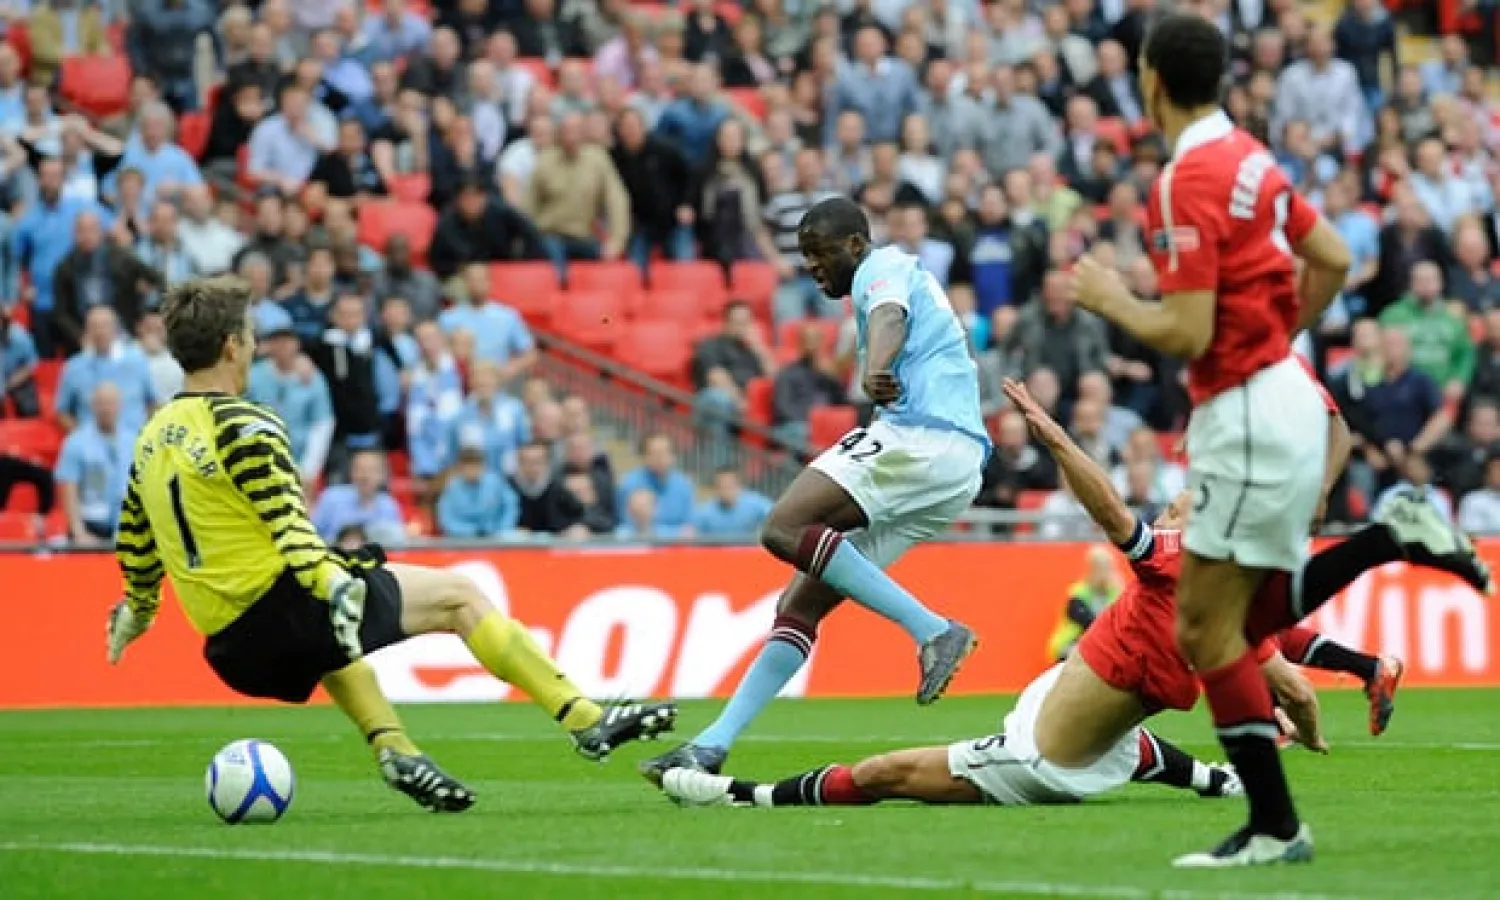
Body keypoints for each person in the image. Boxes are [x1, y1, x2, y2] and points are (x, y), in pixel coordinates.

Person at [107, 276, 677, 814]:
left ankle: (396, 750)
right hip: (286, 611)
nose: (255, 348)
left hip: (232, 650)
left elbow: (136, 540)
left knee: (331, 641)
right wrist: (331, 583)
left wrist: (139, 610)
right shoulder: (244, 422)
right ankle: (584, 718)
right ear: (231, 345)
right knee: (459, 597)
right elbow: (289, 525)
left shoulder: (152, 436)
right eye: (251, 337)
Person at [1067, 15, 1355, 866]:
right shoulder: (1253, 158)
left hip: (1245, 415)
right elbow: (1332, 258)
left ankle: (1274, 824)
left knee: (1212, 625)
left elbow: (1189, 329)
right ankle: (1275, 824)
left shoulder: (1184, 177)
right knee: (1213, 622)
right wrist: (1275, 343)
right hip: (1284, 399)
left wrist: (1111, 297)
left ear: (1149, 78)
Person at [640, 197, 987, 780]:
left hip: (925, 438)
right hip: (956, 468)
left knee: (783, 527)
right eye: (803, 257)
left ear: (854, 245)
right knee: (797, 605)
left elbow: (890, 318)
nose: (811, 266)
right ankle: (710, 746)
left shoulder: (883, 267)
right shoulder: (887, 277)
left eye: (818, 252)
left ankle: (934, 629)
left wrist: (873, 367)